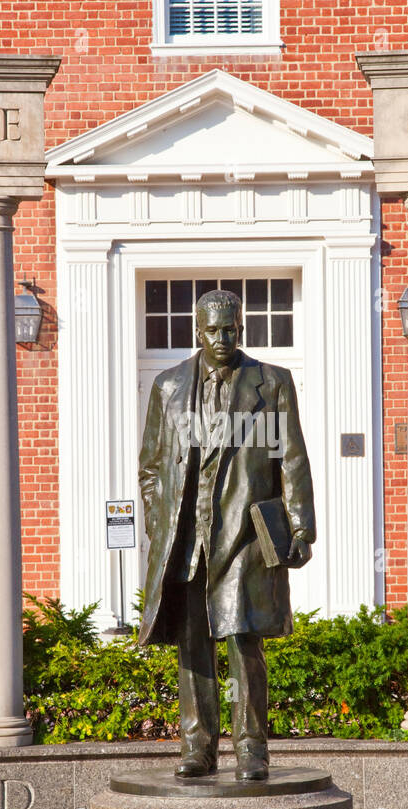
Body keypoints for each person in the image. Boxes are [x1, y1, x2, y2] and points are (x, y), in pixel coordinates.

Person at [137, 289, 315, 780]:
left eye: (231, 329)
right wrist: (160, 523)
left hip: (244, 532)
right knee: (192, 643)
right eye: (213, 330)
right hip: (186, 536)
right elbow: (151, 467)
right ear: (198, 330)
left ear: (242, 327)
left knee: (242, 639)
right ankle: (197, 747)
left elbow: (291, 458)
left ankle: (252, 749)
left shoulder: (272, 382)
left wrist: (301, 527)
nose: (223, 338)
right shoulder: (168, 386)